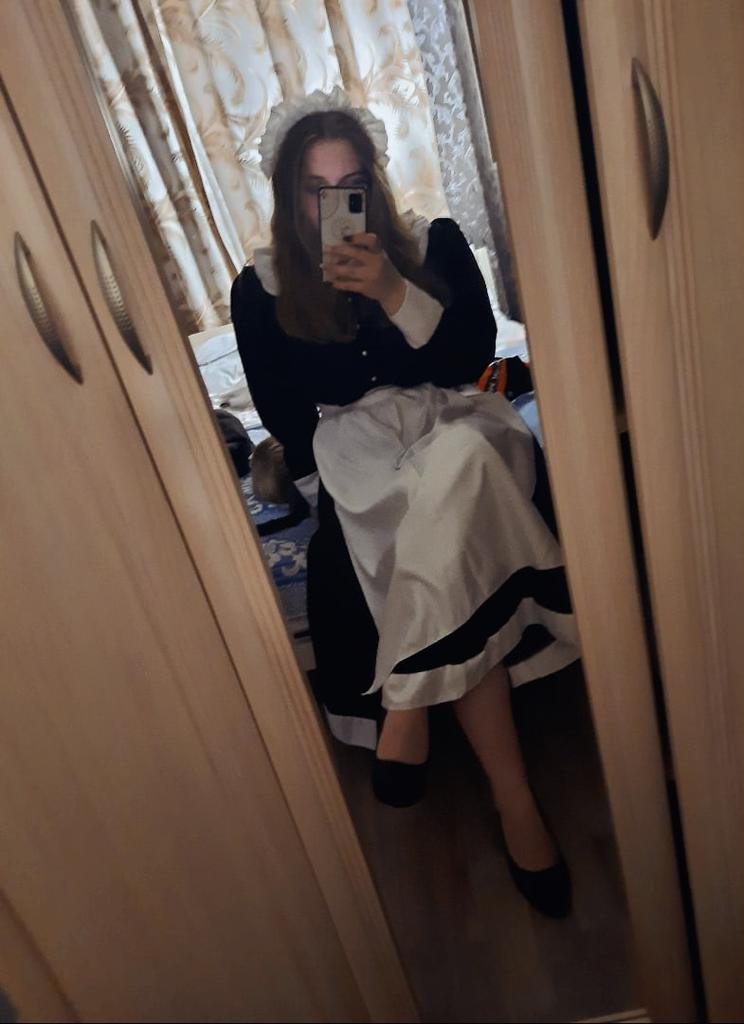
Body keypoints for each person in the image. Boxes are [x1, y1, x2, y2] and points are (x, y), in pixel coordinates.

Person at [231, 88, 578, 917]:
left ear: (374, 183)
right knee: (443, 530)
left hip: (456, 418)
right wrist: (357, 347)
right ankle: (515, 800)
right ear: (288, 196)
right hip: (356, 450)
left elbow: (470, 357)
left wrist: (393, 292)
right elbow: (286, 419)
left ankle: (409, 701)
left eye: (351, 184)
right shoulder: (262, 287)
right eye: (316, 190)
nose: (335, 204)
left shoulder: (433, 243)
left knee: (461, 461)